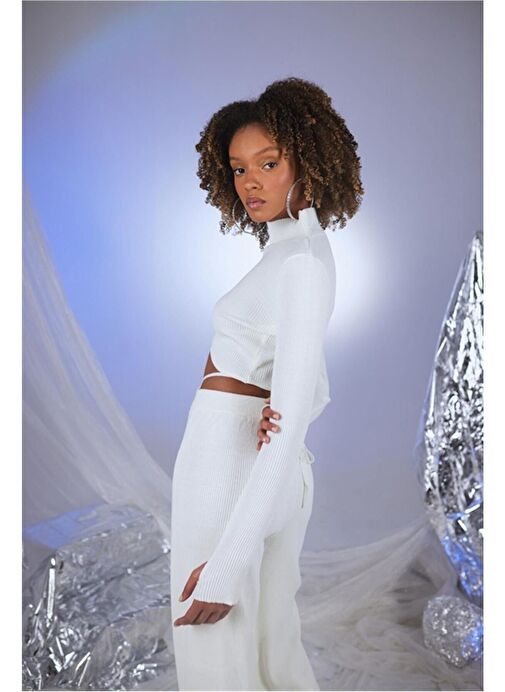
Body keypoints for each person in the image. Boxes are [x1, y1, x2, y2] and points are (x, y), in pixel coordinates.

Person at [169, 76, 364, 691]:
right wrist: (293, 409)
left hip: (230, 467)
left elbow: (296, 402)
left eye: (269, 163)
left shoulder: (300, 262)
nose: (250, 182)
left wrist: (226, 565)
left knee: (217, 662)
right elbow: (307, 382)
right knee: (274, 654)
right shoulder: (300, 251)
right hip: (254, 460)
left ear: (309, 161)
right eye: (238, 169)